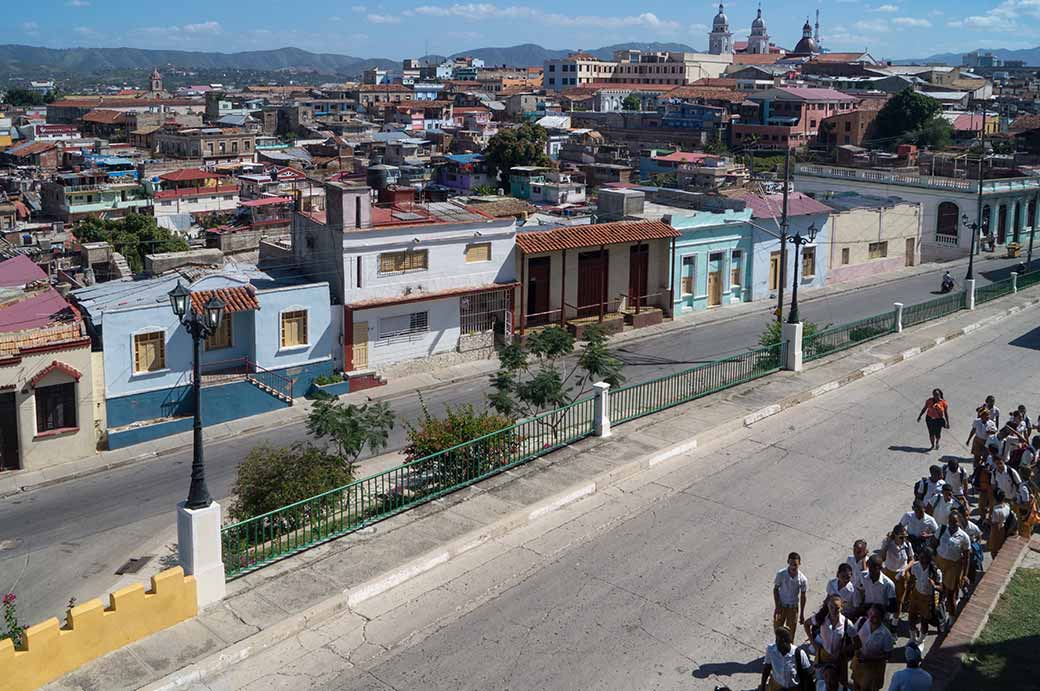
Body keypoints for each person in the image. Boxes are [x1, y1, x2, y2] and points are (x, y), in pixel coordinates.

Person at [806, 595, 853, 691]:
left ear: (842, 607)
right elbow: (807, 624)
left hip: (838, 659)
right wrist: (813, 642)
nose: (834, 610)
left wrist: (845, 651)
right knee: (821, 683)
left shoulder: (846, 623)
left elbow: (857, 642)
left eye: (837, 608)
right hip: (823, 657)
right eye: (831, 607)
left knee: (838, 685)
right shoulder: (821, 618)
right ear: (828, 606)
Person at [935, 511, 971, 614]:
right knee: (937, 590)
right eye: (950, 521)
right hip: (939, 563)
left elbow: (966, 557)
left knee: (950, 594)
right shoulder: (941, 530)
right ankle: (938, 613)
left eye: (955, 522)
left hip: (953, 566)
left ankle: (951, 617)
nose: (952, 524)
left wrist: (964, 575)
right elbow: (933, 544)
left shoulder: (964, 537)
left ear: (959, 522)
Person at [851, 604, 894, 691]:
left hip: (874, 668)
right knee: (856, 685)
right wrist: (856, 648)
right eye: (870, 614)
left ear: (881, 618)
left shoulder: (886, 635)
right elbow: (853, 636)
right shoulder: (861, 622)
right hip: (859, 663)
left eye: (875, 616)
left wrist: (870, 658)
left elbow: (888, 655)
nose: (871, 618)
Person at [759, 626, 815, 691]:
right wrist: (762, 687)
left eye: (780, 642)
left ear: (787, 642)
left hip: (794, 688)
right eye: (776, 640)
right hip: (776, 687)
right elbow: (767, 668)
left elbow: (808, 676)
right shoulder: (771, 650)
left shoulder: (799, 654)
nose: (777, 644)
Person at [907, 548, 941, 644]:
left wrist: (934, 585)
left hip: (928, 598)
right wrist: (908, 592)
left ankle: (921, 640)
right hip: (916, 594)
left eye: (924, 558)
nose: (922, 560)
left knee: (924, 621)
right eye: (920, 557)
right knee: (911, 617)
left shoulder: (935, 571)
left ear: (929, 559)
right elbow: (912, 579)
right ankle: (912, 638)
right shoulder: (915, 566)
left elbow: (942, 588)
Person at [880, 524, 914, 616]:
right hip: (889, 574)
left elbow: (911, 560)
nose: (903, 539)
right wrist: (886, 545)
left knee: (899, 600)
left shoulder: (907, 545)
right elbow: (882, 558)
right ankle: (886, 616)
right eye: (901, 537)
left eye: (905, 537)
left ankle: (895, 620)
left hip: (902, 575)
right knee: (886, 597)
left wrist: (904, 569)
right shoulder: (888, 543)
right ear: (895, 535)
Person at [774, 552, 808, 639]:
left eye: (795, 564)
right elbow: (775, 589)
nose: (793, 567)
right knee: (778, 631)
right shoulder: (781, 574)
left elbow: (803, 596)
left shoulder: (802, 579)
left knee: (791, 634)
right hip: (781, 606)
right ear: (788, 562)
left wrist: (802, 614)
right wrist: (777, 607)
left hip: (793, 608)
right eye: (791, 564)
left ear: (799, 564)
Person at [856, 555, 897, 623]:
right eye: (870, 567)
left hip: (882, 617)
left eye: (874, 569)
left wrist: (877, 608)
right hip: (866, 613)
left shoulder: (888, 584)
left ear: (880, 568)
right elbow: (858, 589)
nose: (871, 571)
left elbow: (893, 607)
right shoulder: (863, 576)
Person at [989, 489, 1013, 557]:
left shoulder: (996, 511)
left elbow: (995, 529)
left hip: (999, 532)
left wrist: (992, 542)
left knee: (994, 553)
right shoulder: (1007, 506)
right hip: (1006, 530)